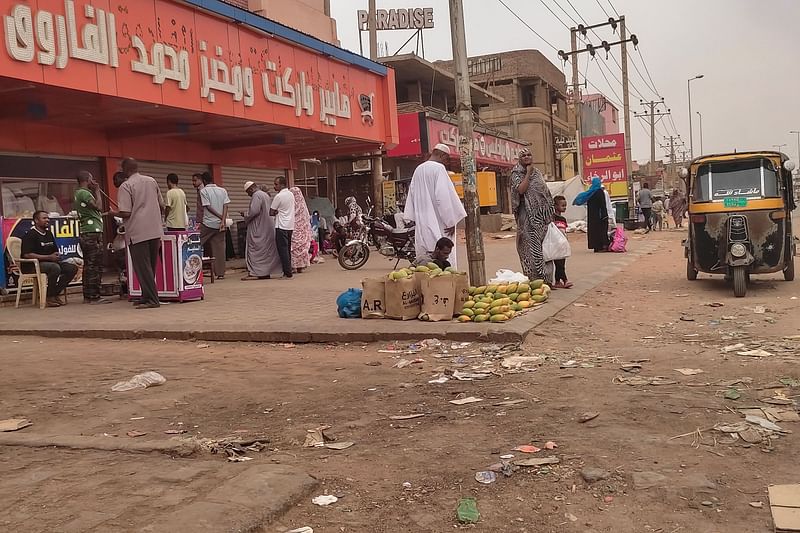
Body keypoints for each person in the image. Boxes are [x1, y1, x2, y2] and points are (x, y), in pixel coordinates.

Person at [403, 143, 466, 268]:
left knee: (424, 262)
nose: (447, 162)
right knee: (444, 262)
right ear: (442, 155)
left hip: (422, 224)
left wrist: (414, 218)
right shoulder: (439, 169)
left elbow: (412, 196)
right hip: (439, 223)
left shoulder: (418, 169)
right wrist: (451, 221)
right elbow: (443, 197)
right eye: (447, 159)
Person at [117, 158, 164, 309]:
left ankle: (152, 300)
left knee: (142, 267)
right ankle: (146, 295)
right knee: (150, 265)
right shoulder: (151, 181)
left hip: (138, 232)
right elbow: (162, 205)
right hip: (154, 229)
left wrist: (113, 213)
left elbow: (125, 212)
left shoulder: (126, 185)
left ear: (125, 169)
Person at [511, 147, 554, 281]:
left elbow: (544, 193)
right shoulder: (516, 173)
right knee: (530, 249)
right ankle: (534, 279)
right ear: (519, 158)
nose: (527, 157)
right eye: (523, 155)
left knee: (544, 249)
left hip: (541, 217)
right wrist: (528, 174)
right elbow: (521, 190)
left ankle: (547, 279)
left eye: (529, 155)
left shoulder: (538, 173)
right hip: (526, 216)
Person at [21, 211, 78, 307]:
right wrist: (49, 257)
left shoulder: (48, 234)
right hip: (32, 265)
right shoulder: (30, 235)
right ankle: (50, 297)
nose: (47, 220)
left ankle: (53, 293)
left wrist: (56, 255)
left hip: (49, 262)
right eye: (44, 218)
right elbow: (27, 255)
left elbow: (54, 250)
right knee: (54, 268)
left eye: (48, 218)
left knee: (72, 268)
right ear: (36, 220)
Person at [74, 171, 111, 304]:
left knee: (89, 265)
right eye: (91, 179)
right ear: (88, 180)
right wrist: (97, 191)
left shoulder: (79, 193)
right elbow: (99, 207)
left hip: (88, 232)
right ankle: (94, 296)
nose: (93, 181)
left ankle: (88, 296)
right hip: (92, 233)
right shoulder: (84, 193)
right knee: (94, 266)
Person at [240, 181, 282, 280]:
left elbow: (254, 211)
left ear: (250, 189)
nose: (248, 195)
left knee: (254, 249)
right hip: (267, 227)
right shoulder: (265, 195)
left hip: (258, 228)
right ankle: (264, 272)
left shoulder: (256, 195)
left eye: (247, 192)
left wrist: (245, 214)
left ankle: (254, 272)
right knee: (266, 251)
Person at [198, 173, 230, 279]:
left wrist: (220, 216)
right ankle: (220, 273)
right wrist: (223, 220)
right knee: (219, 248)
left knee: (196, 243)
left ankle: (193, 269)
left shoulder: (203, 191)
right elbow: (226, 206)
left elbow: (207, 207)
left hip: (208, 223)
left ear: (204, 181)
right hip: (220, 224)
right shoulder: (223, 190)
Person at [573, 176, 610, 252]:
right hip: (600, 216)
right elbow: (602, 205)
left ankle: (596, 247)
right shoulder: (599, 192)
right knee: (602, 231)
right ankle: (602, 246)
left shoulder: (590, 192)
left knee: (594, 231)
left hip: (592, 216)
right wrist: (605, 215)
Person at [270, 176, 295, 279]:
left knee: (283, 250)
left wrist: (277, 211)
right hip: (290, 225)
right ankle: (288, 270)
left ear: (282, 185)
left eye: (276, 184)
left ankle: (287, 272)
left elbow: (271, 212)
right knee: (287, 249)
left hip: (281, 225)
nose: (274, 186)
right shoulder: (291, 194)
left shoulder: (279, 196)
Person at [552, 195, 573, 289]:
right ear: (555, 206)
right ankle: (565, 280)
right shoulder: (552, 218)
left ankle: (557, 281)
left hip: (562, 244)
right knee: (559, 263)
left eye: (565, 205)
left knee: (561, 263)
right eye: (562, 205)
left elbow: (564, 231)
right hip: (554, 244)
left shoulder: (563, 219)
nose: (564, 207)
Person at [290, 187, 312, 273]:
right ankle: (301, 266)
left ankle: (294, 267)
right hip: (302, 231)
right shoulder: (303, 206)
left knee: (294, 248)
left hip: (294, 229)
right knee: (302, 248)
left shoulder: (291, 204)